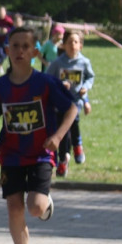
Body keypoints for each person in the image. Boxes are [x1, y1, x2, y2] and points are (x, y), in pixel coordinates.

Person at [0, 28, 76, 244]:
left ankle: (46, 204)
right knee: (14, 207)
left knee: (35, 207)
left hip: (40, 155)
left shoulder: (44, 83)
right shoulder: (0, 86)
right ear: (7, 50)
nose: (20, 51)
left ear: (35, 52)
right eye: (15, 46)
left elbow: (71, 109)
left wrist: (57, 137)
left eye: (26, 46)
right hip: (10, 155)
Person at [44, 29, 95, 175]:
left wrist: (85, 89)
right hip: (60, 103)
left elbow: (90, 78)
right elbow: (48, 79)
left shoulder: (84, 62)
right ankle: (63, 160)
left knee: (74, 123)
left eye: (76, 42)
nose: (73, 45)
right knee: (62, 131)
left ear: (81, 45)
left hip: (76, 101)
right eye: (69, 42)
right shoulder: (57, 63)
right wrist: (60, 84)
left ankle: (77, 146)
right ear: (64, 45)